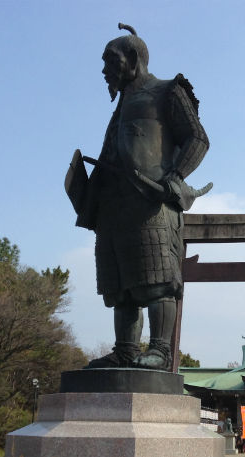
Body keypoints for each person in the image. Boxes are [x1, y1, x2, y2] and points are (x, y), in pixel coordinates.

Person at [71, 23, 211, 371]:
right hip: (113, 205)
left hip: (152, 204)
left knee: (156, 281)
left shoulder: (167, 91)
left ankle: (161, 349)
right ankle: (126, 349)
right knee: (122, 287)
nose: (105, 69)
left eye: (110, 60)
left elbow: (197, 138)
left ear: (133, 58)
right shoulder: (120, 106)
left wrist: (176, 177)